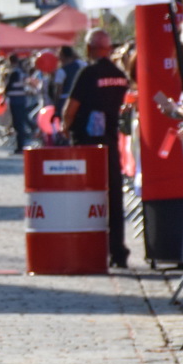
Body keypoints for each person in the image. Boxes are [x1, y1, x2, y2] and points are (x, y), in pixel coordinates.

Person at [61, 28, 131, 268]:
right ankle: (118, 251)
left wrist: (64, 126)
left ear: (90, 49)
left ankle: (85, 249)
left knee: (85, 197)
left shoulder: (88, 73)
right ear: (109, 49)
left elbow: (71, 108)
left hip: (85, 144)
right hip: (110, 143)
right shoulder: (120, 75)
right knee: (114, 196)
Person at [0, 53, 36, 152]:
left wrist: (4, 98)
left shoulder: (14, 72)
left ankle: (20, 145)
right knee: (20, 122)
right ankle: (23, 140)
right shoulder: (22, 72)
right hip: (21, 99)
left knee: (18, 124)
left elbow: (8, 86)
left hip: (15, 101)